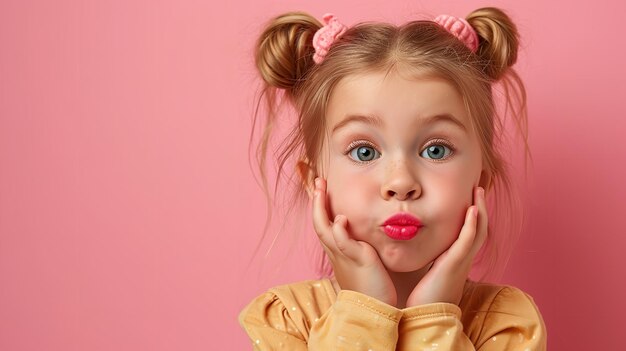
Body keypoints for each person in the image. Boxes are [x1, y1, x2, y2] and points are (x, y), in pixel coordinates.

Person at [239, 6, 547, 350]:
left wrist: (433, 314)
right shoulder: (287, 323)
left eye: (436, 150)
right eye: (364, 152)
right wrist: (365, 310)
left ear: (481, 182)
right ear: (314, 182)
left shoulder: (507, 326)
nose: (400, 183)